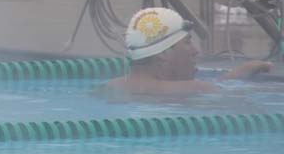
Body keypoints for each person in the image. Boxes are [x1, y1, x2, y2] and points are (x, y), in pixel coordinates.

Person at [103, 7, 271, 98]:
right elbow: (232, 97)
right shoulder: (196, 89)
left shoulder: (109, 88)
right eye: (187, 43)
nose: (195, 51)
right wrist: (239, 74)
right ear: (162, 53)